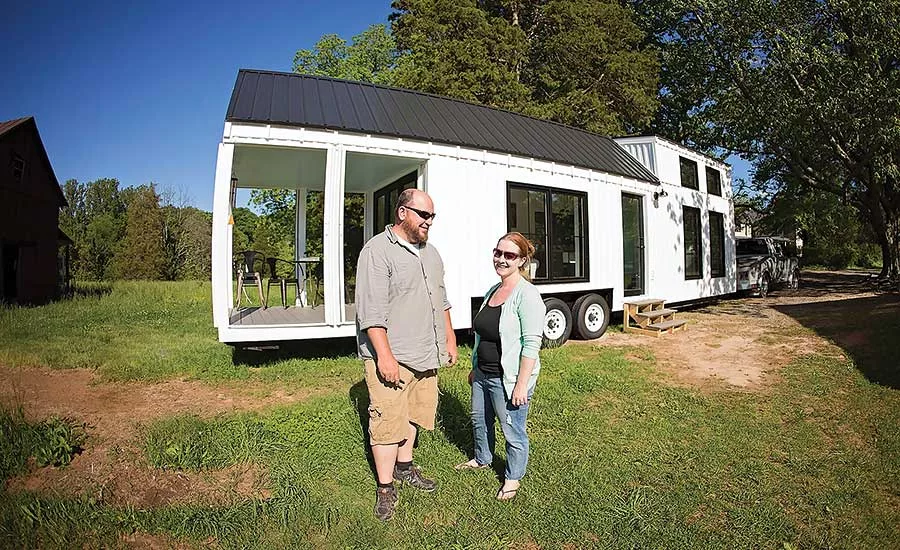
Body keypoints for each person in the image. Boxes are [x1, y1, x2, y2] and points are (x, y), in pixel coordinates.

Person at [355, 188, 458, 521]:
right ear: (402, 213)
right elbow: (371, 311)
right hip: (394, 354)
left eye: (432, 216)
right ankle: (385, 488)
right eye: (424, 215)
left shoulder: (431, 253)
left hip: (426, 352)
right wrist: (384, 356)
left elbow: (440, 299)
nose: (429, 222)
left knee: (414, 414)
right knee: (386, 422)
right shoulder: (377, 252)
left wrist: (450, 337)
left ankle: (405, 467)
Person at [456, 232, 545, 501]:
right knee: (479, 421)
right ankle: (482, 459)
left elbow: (531, 344)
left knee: (512, 430)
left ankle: (513, 477)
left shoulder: (527, 295)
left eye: (509, 255)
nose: (501, 259)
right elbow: (482, 334)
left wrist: (521, 384)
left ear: (522, 260)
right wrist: (475, 367)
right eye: (498, 253)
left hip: (508, 379)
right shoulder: (492, 291)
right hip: (483, 373)